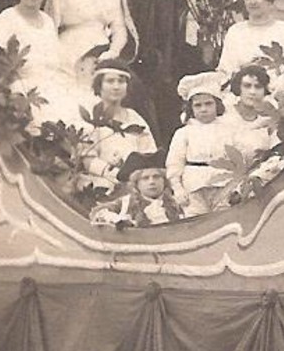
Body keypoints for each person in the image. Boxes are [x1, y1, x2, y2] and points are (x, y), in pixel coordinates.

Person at [0, 0, 75, 122]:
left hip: (53, 85)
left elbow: (56, 59)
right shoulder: (7, 18)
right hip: (22, 88)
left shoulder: (48, 21)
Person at [81, 58, 156, 195]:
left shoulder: (135, 118)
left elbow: (149, 155)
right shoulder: (92, 117)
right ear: (99, 85)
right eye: (110, 81)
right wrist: (116, 175)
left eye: (121, 81)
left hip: (136, 187)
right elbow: (87, 158)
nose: (116, 86)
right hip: (101, 185)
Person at [166, 71, 237, 216]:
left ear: (217, 105)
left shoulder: (230, 129)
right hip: (194, 186)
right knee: (196, 221)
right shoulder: (184, 133)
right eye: (198, 106)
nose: (203, 109)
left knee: (223, 219)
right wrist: (178, 188)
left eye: (208, 104)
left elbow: (239, 158)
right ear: (191, 109)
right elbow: (174, 163)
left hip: (224, 184)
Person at [217, 0, 284, 80]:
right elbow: (226, 69)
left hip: (276, 89)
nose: (252, 2)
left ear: (269, 1)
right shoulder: (236, 31)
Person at [91, 151, 185, 228]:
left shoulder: (176, 202)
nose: (152, 182)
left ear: (164, 180)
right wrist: (118, 219)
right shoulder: (126, 203)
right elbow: (99, 212)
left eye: (156, 177)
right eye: (145, 178)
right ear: (136, 183)